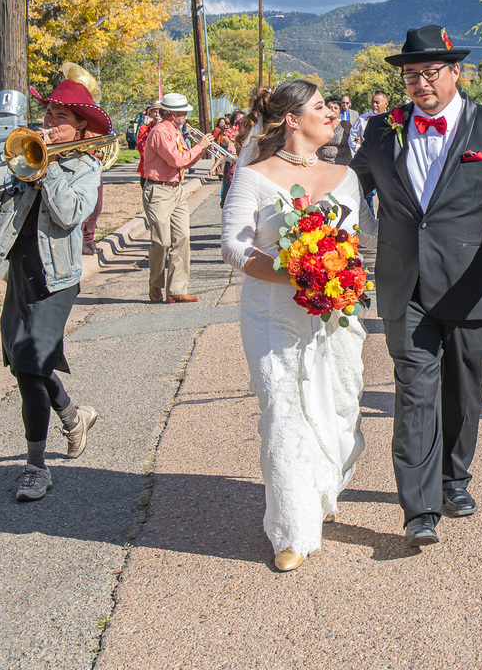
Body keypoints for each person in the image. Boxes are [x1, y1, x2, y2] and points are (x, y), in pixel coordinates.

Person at [350, 25, 482, 548]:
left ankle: (455, 479)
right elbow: (349, 189)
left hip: (475, 284)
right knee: (415, 394)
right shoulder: (380, 131)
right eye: (410, 75)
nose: (418, 83)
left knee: (463, 392)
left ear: (456, 72)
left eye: (429, 73)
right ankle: (419, 508)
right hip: (403, 284)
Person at [220, 79, 375, 572]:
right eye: (320, 106)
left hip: (335, 315)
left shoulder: (345, 175)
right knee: (283, 409)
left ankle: (320, 493)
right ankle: (291, 530)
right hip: (273, 312)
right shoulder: (253, 176)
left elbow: (368, 234)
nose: (331, 113)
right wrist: (296, 268)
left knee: (340, 406)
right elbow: (234, 247)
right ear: (292, 119)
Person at [0, 70, 106, 503]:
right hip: (19, 274)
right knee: (27, 363)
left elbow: (68, 214)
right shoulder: (25, 153)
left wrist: (46, 170)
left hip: (56, 279)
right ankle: (74, 416)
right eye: (48, 113)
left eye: (60, 117)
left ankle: (35, 466)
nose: (50, 122)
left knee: (29, 367)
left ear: (80, 126)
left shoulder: (85, 167)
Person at [140, 92, 211, 304]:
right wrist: (200, 146)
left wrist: (200, 149)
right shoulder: (161, 131)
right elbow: (177, 159)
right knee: (161, 241)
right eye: (183, 113)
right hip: (159, 190)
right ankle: (155, 283)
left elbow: (185, 162)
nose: (186, 117)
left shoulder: (176, 132)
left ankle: (176, 290)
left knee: (182, 238)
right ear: (172, 114)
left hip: (176, 189)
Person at [347, 90, 389, 155]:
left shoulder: (391, 119)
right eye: (373, 102)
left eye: (377, 102)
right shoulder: (362, 118)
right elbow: (352, 138)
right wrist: (361, 151)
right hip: (366, 158)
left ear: (386, 104)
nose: (374, 105)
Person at [317, 96, 353, 165]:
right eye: (329, 107)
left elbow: (354, 141)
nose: (332, 110)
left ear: (339, 111)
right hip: (323, 163)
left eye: (336, 108)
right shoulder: (320, 125)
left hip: (342, 163)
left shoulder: (345, 125)